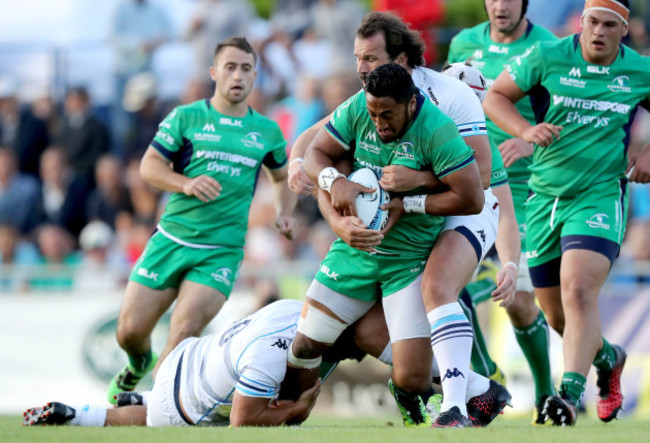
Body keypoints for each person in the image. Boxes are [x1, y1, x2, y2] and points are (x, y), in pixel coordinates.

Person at [287, 11, 518, 426]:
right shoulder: (370, 98)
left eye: (370, 59)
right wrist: (305, 169)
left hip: (464, 207)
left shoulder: (448, 99)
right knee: (365, 333)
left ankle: (452, 408)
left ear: (403, 58)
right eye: (357, 57)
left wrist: (415, 184)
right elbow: (314, 145)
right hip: (396, 224)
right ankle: (474, 388)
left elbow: (479, 180)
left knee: (438, 286)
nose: (360, 68)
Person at [482, 0, 650, 426]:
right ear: (582, 21)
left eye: (608, 25)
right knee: (557, 316)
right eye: (592, 21)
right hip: (543, 200)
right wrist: (524, 129)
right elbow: (495, 95)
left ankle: (567, 398)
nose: (597, 31)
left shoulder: (639, 71)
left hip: (598, 196)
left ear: (624, 29)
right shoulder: (547, 57)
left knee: (578, 291)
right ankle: (609, 359)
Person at [107, 37, 298, 405]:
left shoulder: (267, 132)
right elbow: (148, 167)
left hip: (220, 253)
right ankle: (136, 365)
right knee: (129, 332)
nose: (237, 75)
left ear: (255, 76)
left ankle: (147, 406)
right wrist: (186, 183)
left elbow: (281, 176)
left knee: (184, 329)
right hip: (171, 241)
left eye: (245, 68)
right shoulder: (186, 117)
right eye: (230, 67)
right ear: (214, 73)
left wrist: (284, 213)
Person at [24, 299, 508, 428]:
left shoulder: (297, 315)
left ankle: (76, 413)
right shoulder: (277, 348)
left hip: (193, 360)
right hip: (188, 399)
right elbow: (242, 421)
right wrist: (297, 412)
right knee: (157, 418)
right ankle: (105, 409)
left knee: (145, 412)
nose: (360, 349)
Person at [447, 0, 558, 424]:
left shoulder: (549, 48)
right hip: (468, 183)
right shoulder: (463, 44)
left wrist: (530, 139)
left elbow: (572, 118)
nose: (500, 5)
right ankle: (488, 377)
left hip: (529, 192)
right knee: (452, 287)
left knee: (521, 301)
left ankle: (547, 393)